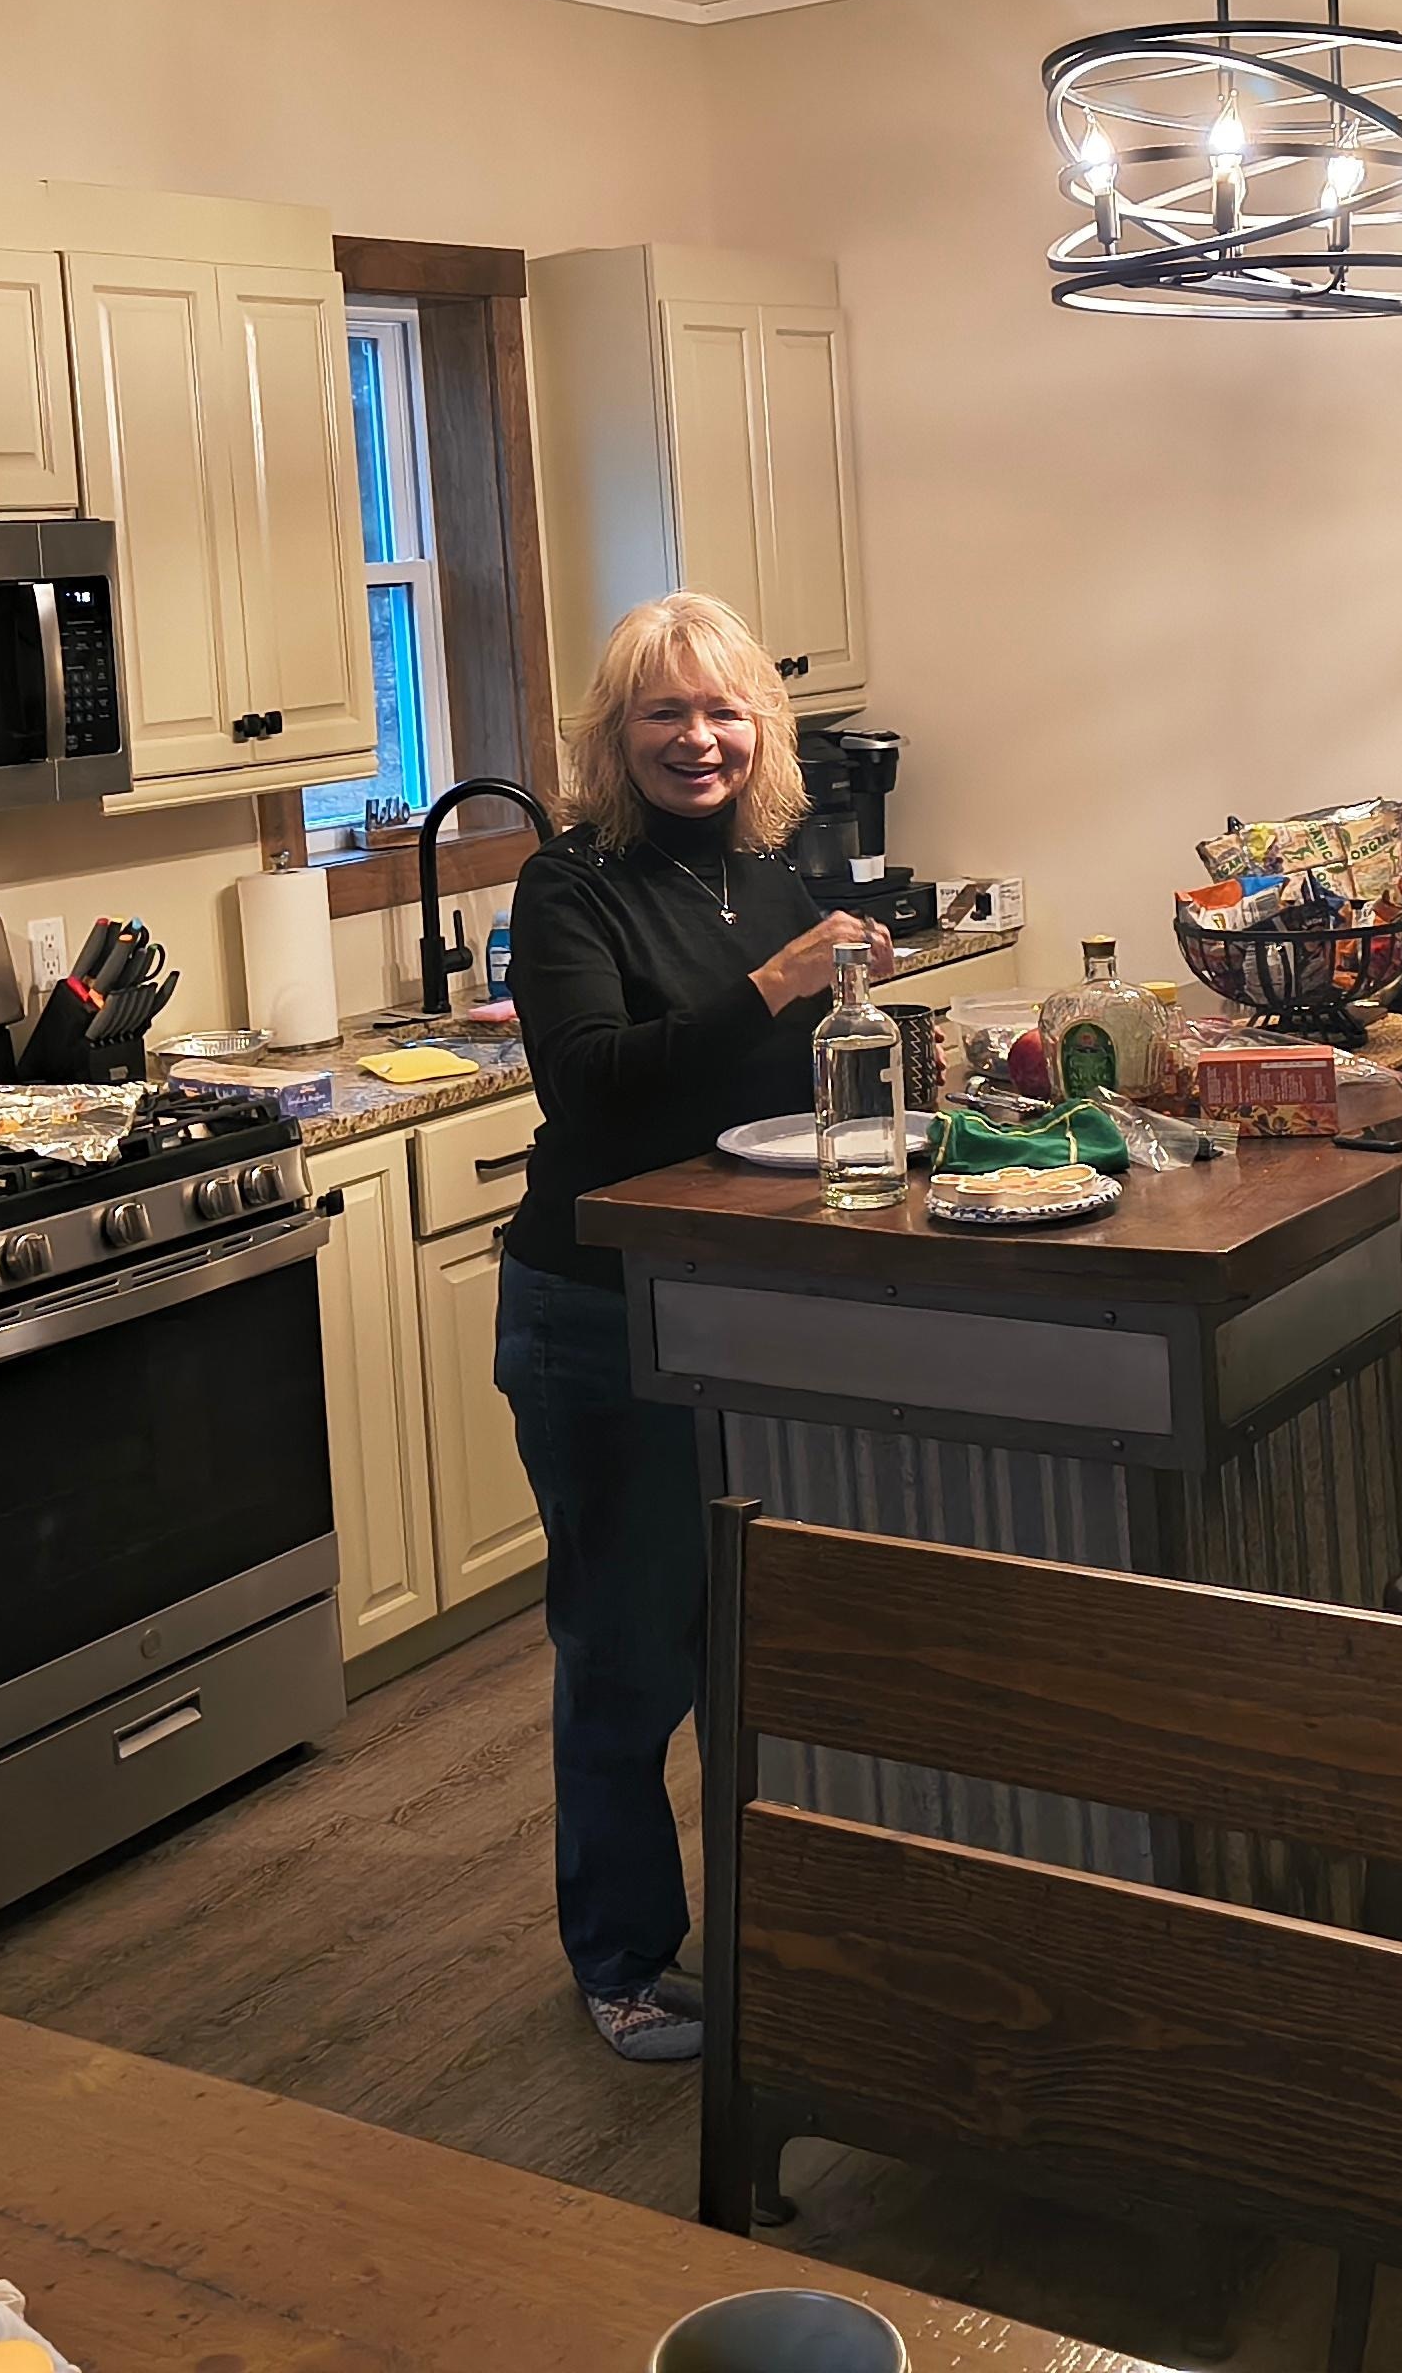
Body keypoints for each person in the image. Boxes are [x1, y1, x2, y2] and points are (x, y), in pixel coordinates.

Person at [498, 592, 873, 2063]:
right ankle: (623, 1961)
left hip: (753, 1305)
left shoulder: (773, 872)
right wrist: (778, 986)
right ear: (615, 735)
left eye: (725, 711)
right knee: (628, 1649)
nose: (697, 739)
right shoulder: (568, 887)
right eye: (665, 712)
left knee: (755, 1638)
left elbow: (775, 1087)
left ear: (764, 733)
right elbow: (596, 1086)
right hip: (602, 1313)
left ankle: (765, 1925)